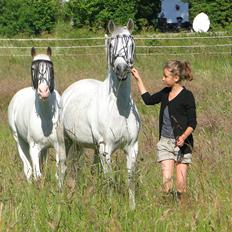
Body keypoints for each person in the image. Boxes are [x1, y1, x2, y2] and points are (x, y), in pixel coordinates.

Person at [131, 60, 197, 202]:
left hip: (183, 145)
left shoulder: (187, 96)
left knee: (181, 186)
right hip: (165, 142)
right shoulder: (165, 93)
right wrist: (138, 79)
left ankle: (182, 212)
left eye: (165, 76)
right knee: (167, 183)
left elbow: (192, 123)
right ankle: (167, 208)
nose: (163, 78)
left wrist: (184, 137)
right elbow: (148, 100)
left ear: (176, 78)